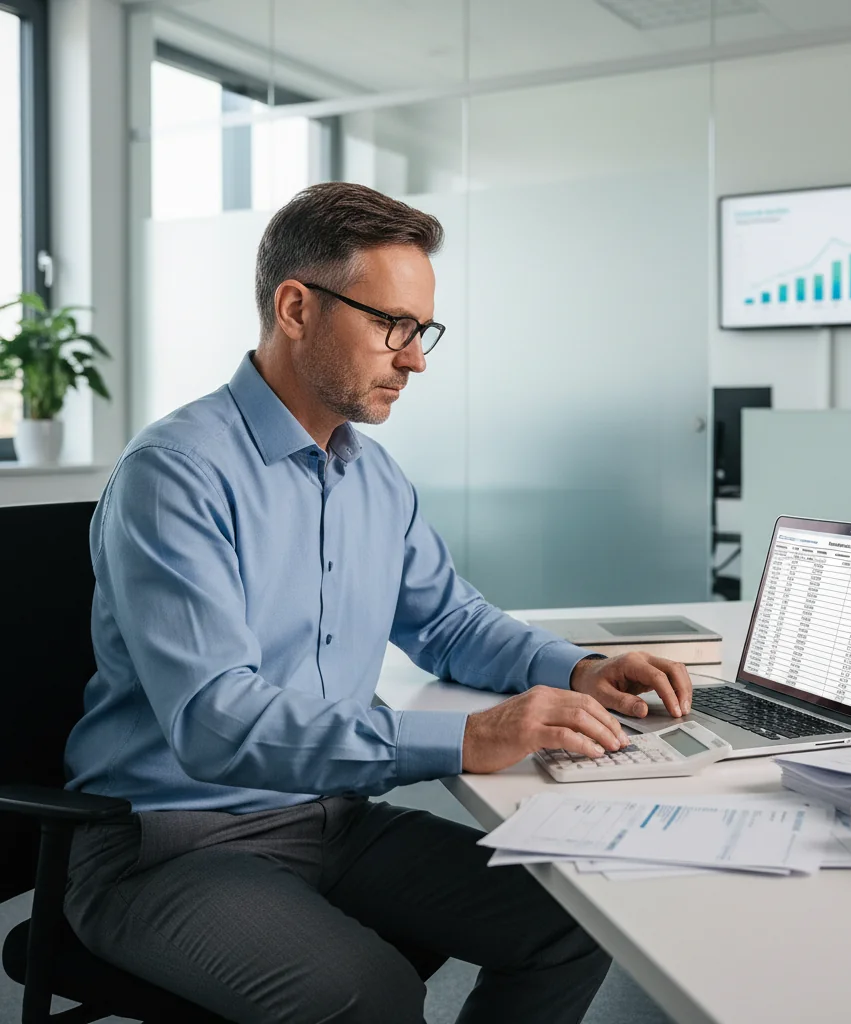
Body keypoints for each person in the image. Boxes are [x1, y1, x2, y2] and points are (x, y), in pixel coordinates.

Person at [63, 182, 692, 1024]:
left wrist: (579, 667)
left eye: (422, 330)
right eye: (391, 325)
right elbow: (218, 720)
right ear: (295, 307)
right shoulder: (176, 474)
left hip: (329, 821)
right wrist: (470, 738)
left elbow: (447, 621)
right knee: (372, 994)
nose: (417, 359)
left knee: (574, 918)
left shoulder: (371, 476)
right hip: (169, 843)